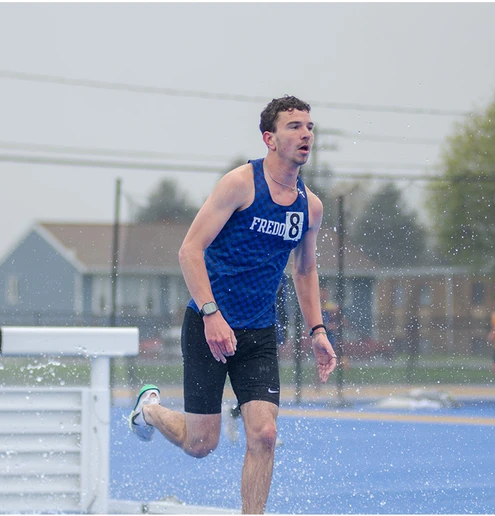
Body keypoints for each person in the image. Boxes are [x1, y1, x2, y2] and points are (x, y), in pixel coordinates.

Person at [128, 95, 338, 514]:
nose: (305, 134)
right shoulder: (240, 184)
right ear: (270, 138)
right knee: (200, 444)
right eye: (294, 126)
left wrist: (317, 330)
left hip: (258, 333)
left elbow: (305, 270)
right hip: (209, 325)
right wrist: (211, 315)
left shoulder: (308, 206)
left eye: (309, 127)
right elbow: (190, 250)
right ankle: (149, 411)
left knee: (264, 434)